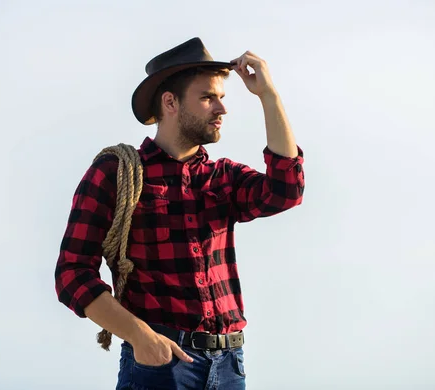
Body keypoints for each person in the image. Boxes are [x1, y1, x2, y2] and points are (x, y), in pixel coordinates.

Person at [54, 37, 305, 390]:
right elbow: (72, 274)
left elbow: (286, 190)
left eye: (222, 98)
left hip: (231, 365)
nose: (221, 109)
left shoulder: (222, 176)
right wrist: (141, 336)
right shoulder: (117, 172)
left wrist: (269, 96)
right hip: (160, 365)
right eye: (207, 98)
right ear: (170, 102)